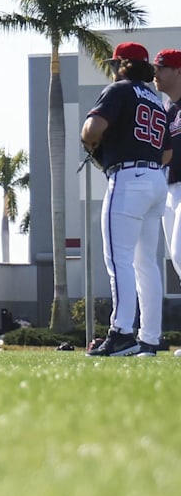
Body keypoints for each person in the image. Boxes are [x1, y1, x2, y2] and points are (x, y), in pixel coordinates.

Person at [81, 42, 168, 357]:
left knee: (119, 259)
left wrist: (95, 148)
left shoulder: (119, 90)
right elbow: (167, 151)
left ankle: (121, 333)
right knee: (146, 263)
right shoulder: (155, 100)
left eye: (115, 63)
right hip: (156, 178)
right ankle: (150, 337)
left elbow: (92, 128)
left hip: (129, 178)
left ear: (122, 64)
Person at [154, 50, 181, 353]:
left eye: (162, 68)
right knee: (177, 260)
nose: (156, 73)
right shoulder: (166, 108)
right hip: (169, 189)